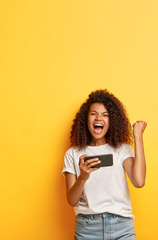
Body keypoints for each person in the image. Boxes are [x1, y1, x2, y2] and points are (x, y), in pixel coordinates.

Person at [62, 89, 147, 240]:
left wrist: (138, 137)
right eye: (93, 113)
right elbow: (71, 200)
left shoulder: (122, 150)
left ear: (112, 121)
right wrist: (83, 177)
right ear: (85, 119)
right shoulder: (73, 154)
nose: (99, 118)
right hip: (87, 229)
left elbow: (139, 181)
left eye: (105, 114)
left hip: (122, 228)